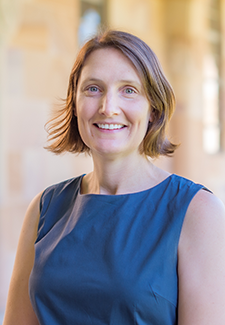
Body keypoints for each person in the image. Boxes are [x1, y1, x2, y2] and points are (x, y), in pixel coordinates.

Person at [3, 30, 225, 325]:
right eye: (93, 89)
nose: (108, 107)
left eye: (129, 90)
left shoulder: (198, 211)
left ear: (153, 110)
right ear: (75, 105)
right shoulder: (45, 208)